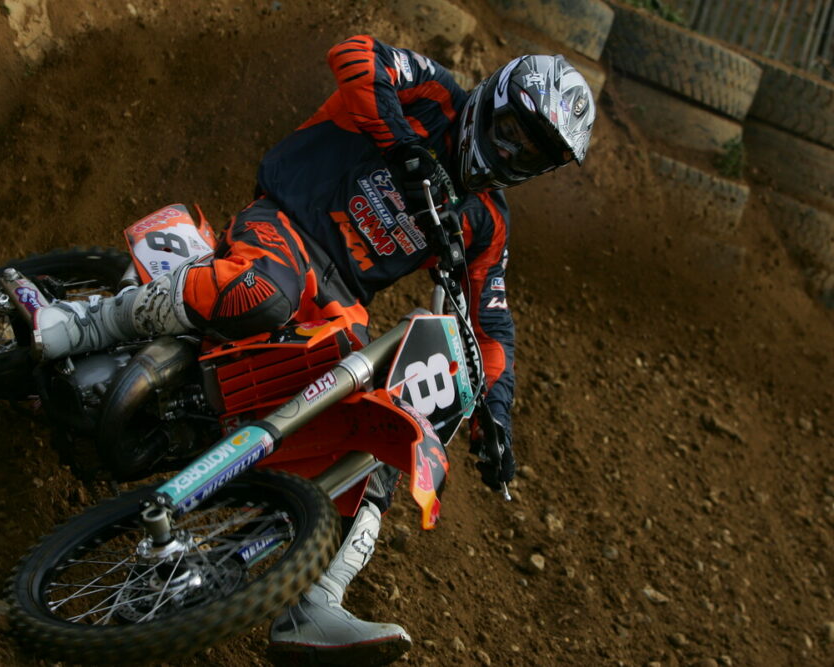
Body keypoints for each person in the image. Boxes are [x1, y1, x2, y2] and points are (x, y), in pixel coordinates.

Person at [33, 35, 595, 665]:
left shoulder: (484, 220)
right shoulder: (433, 96)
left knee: (383, 430)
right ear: (494, 101)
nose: (513, 152)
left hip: (340, 303)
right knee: (262, 293)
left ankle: (315, 599)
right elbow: (354, 54)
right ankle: (84, 322)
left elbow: (491, 325)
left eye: (532, 152)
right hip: (286, 226)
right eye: (514, 131)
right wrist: (403, 146)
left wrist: (497, 414)